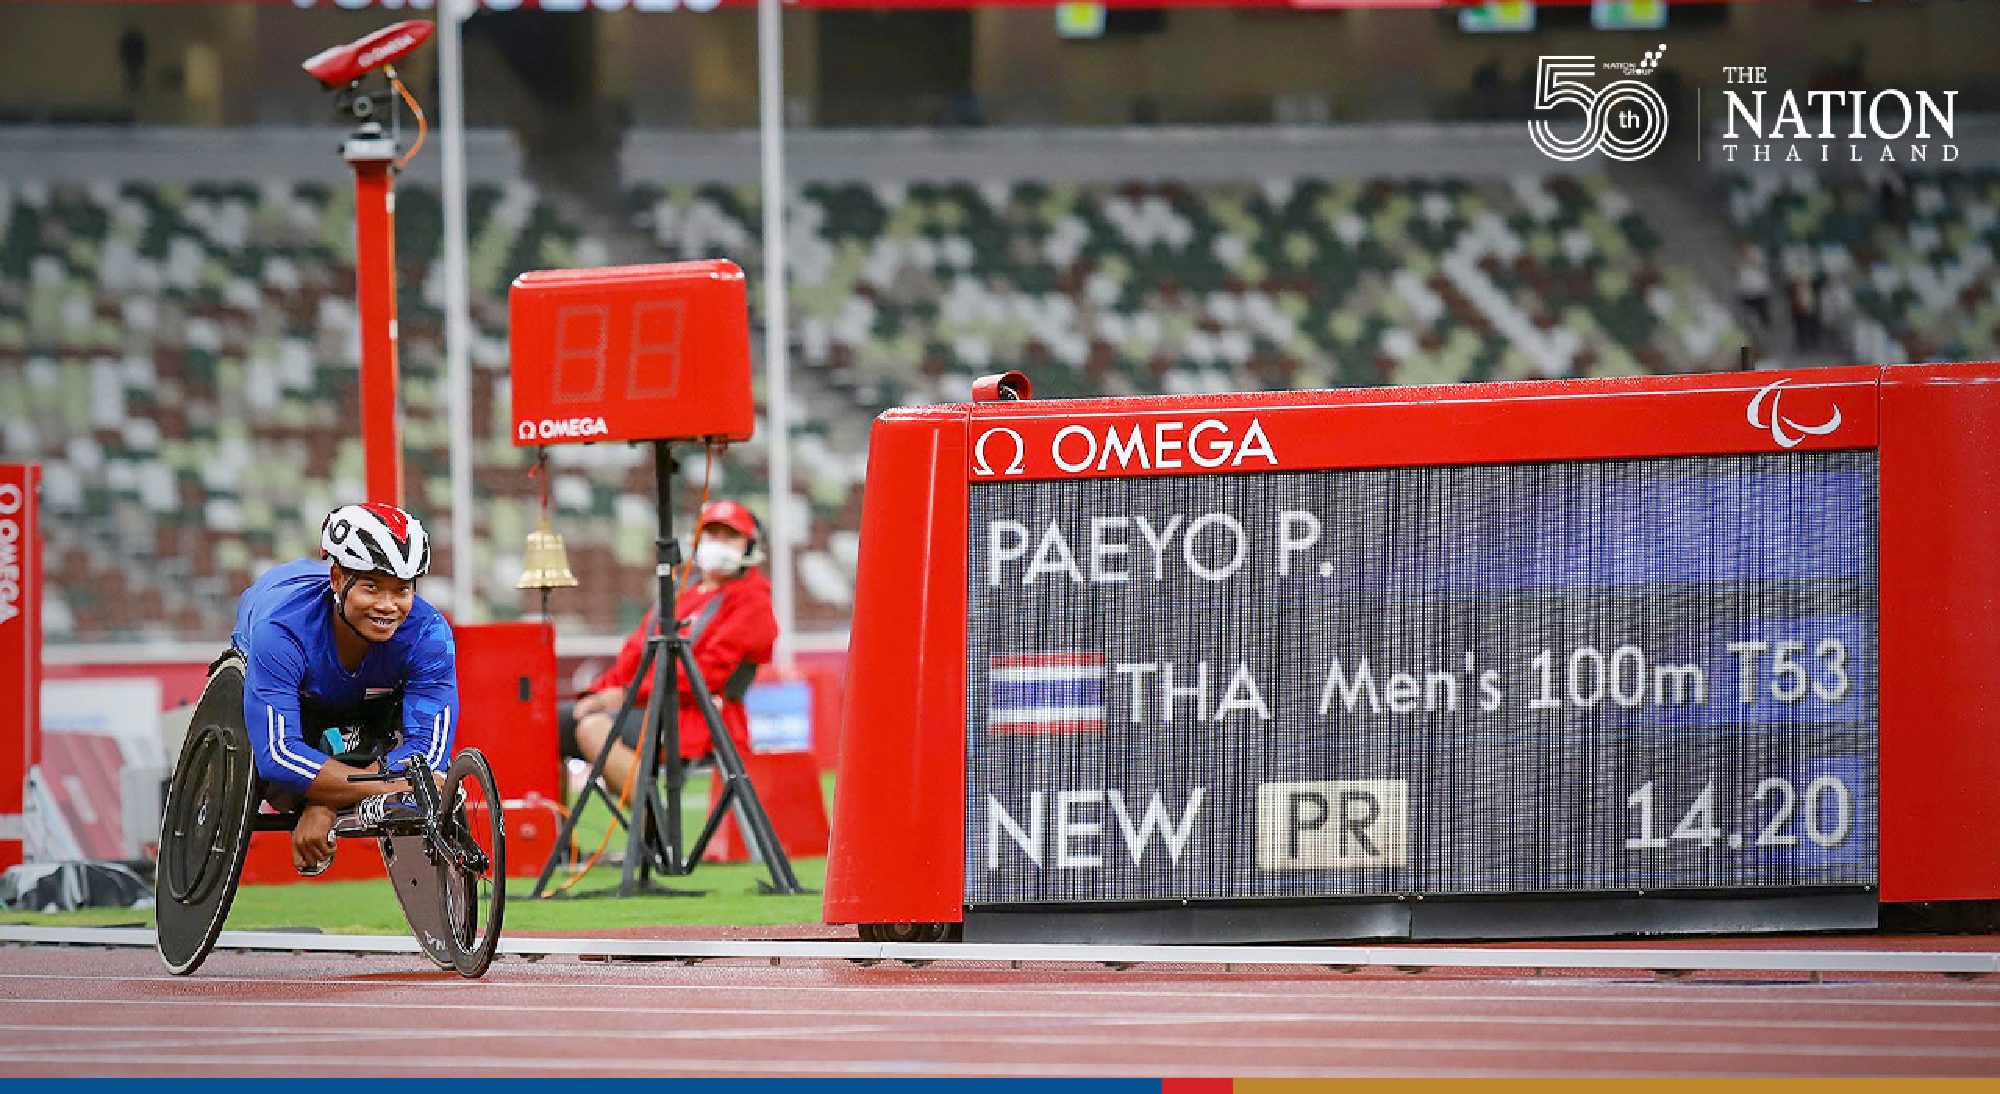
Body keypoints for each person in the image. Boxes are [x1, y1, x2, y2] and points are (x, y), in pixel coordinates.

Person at [230, 502, 457, 875]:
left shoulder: (429, 634)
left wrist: (325, 804)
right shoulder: (281, 631)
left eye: (401, 590)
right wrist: (372, 791)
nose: (387, 607)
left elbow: (427, 756)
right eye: (371, 587)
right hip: (277, 637)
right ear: (337, 580)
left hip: (363, 702)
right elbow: (279, 756)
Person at [559, 500, 778, 794]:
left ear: (750, 547)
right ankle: (556, 832)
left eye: (731, 537)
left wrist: (625, 696)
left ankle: (651, 829)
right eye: (713, 535)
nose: (719, 544)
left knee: (594, 729)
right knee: (550, 722)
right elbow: (633, 657)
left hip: (698, 719)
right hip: (650, 707)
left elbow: (702, 678)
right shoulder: (680, 593)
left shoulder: (753, 603)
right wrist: (599, 694)